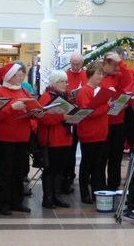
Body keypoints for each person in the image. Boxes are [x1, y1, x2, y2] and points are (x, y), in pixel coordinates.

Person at [0, 62, 35, 215]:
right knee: (4, 172)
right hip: (5, 138)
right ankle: (3, 203)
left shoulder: (24, 90)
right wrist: (11, 108)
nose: (22, 76)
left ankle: (17, 201)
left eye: (22, 74)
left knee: (19, 172)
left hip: (22, 137)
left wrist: (37, 113)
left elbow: (33, 106)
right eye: (18, 74)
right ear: (10, 76)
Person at [38, 70, 73, 209]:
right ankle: (47, 197)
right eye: (61, 81)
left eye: (65, 81)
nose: (65, 84)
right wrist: (62, 117)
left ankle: (57, 196)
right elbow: (43, 118)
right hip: (52, 139)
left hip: (64, 138)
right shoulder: (46, 96)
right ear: (53, 82)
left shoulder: (67, 96)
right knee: (50, 169)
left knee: (60, 169)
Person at [76, 61, 111, 204]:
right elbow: (87, 113)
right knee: (86, 165)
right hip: (89, 133)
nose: (100, 76)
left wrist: (108, 105)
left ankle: (97, 192)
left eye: (102, 74)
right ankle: (84, 193)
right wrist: (106, 107)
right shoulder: (85, 91)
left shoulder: (101, 90)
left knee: (98, 166)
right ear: (90, 74)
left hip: (101, 132)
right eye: (98, 73)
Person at [101, 50, 134, 190]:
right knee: (102, 158)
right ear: (105, 64)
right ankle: (100, 187)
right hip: (103, 124)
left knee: (116, 158)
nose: (117, 68)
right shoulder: (99, 77)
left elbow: (129, 79)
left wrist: (121, 63)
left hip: (119, 122)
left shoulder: (119, 76)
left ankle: (113, 186)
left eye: (118, 65)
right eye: (114, 64)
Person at [63, 53, 88, 193]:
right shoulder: (65, 75)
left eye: (78, 64)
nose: (75, 66)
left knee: (85, 149)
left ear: (82, 63)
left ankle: (85, 176)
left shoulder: (86, 75)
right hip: (70, 116)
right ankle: (69, 176)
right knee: (70, 150)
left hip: (83, 118)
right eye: (73, 64)